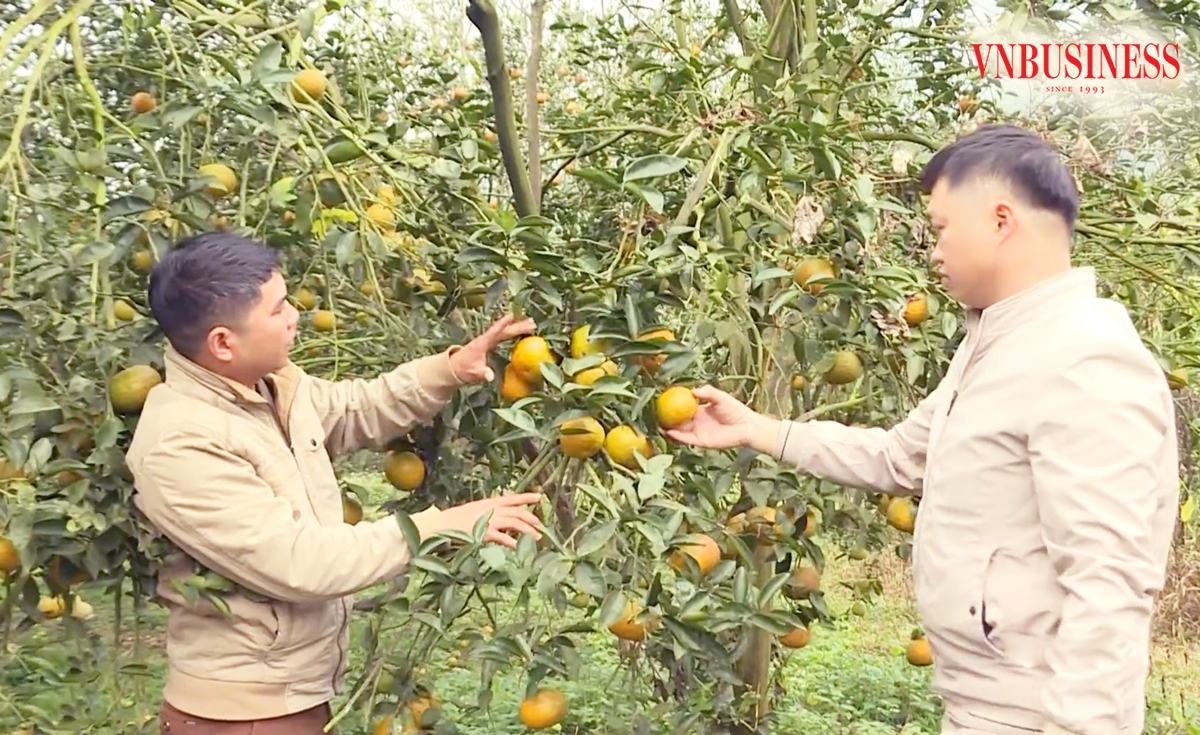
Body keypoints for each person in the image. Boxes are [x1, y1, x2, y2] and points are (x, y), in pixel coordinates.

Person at [666, 124, 1179, 735]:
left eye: (940, 228)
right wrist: (760, 430)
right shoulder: (995, 347)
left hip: (1034, 717)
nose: (932, 250)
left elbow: (1108, 585)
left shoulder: (1084, 358)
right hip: (981, 708)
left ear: (1000, 220)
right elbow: (900, 457)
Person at [125, 231, 544, 734]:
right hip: (246, 714)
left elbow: (354, 408)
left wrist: (450, 369)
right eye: (278, 310)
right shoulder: (181, 444)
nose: (294, 316)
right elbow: (301, 563)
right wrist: (441, 525)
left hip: (296, 694)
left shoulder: (270, 385)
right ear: (222, 342)